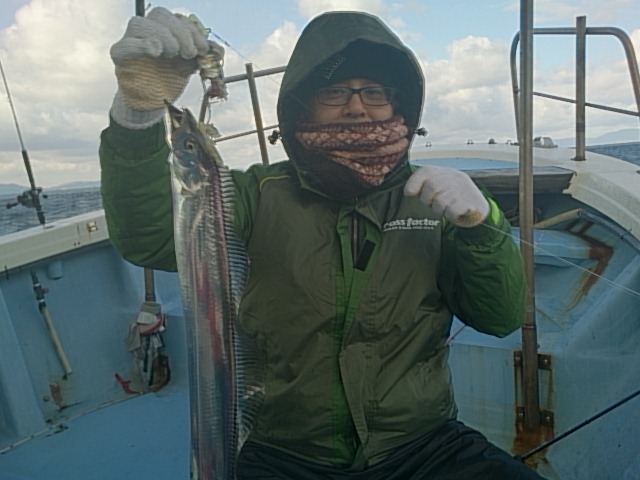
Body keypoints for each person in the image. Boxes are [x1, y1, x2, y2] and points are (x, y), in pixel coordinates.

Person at [100, 7, 545, 480]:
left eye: (375, 92)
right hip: (281, 454)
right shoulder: (252, 194)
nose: (357, 107)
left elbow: (498, 318)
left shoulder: (437, 199)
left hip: (424, 445)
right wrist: (137, 113)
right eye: (335, 92)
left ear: (399, 106)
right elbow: (149, 240)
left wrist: (483, 226)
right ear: (303, 106)